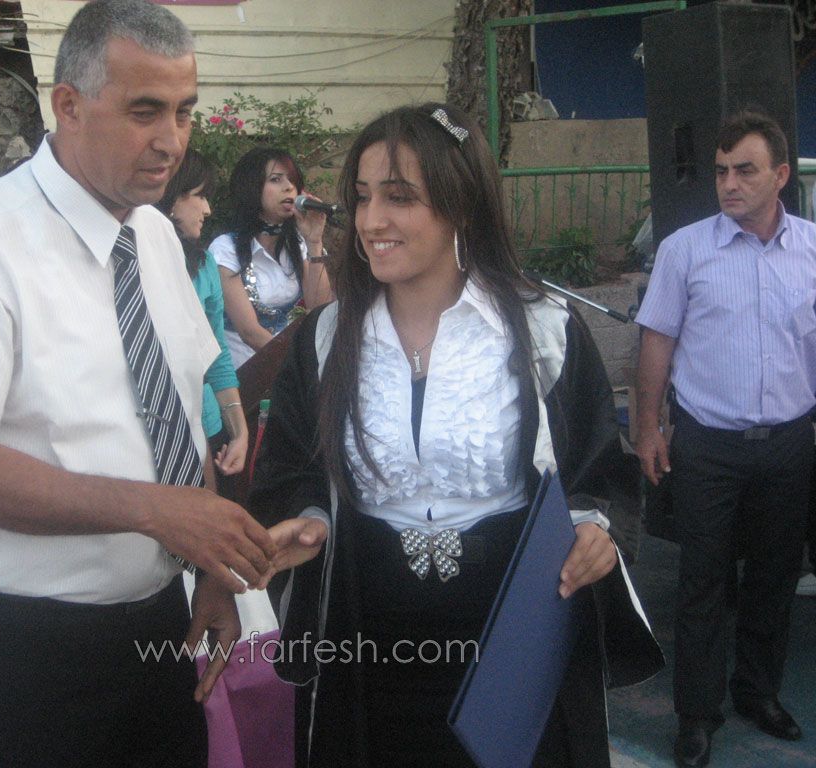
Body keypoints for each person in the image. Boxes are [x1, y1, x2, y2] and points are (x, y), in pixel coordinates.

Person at [0, 1, 275, 765]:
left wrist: (209, 566)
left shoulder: (155, 235)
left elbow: (174, 411)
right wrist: (155, 511)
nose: (171, 141)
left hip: (160, 621)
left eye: (184, 112)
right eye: (144, 111)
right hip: (27, 647)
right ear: (67, 105)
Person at [250, 103, 661, 768]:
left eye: (399, 196)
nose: (371, 221)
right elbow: (292, 465)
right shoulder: (326, 339)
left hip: (515, 634)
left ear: (461, 205)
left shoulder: (542, 330)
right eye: (363, 197)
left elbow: (593, 468)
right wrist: (310, 517)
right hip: (369, 638)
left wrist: (593, 530)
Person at [635, 110, 814, 767]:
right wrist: (647, 427)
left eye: (745, 170)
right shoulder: (685, 251)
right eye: (720, 171)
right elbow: (657, 342)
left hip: (789, 443)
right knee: (702, 582)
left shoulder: (813, 250)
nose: (729, 183)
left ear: (781, 175)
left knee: (774, 577)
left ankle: (757, 693)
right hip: (707, 445)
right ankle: (696, 714)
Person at [158, 148, 248, 496]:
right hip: (154, 428)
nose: (208, 209)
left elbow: (216, 351)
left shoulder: (205, 264)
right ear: (171, 197)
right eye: (199, 196)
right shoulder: (135, 262)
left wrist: (239, 430)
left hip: (206, 424)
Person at [209, 146, 332, 368]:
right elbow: (249, 332)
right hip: (245, 371)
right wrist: (299, 366)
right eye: (276, 179)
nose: (289, 187)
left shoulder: (298, 243)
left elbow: (320, 308)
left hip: (287, 365)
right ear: (251, 188)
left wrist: (315, 243)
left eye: (293, 180)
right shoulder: (226, 249)